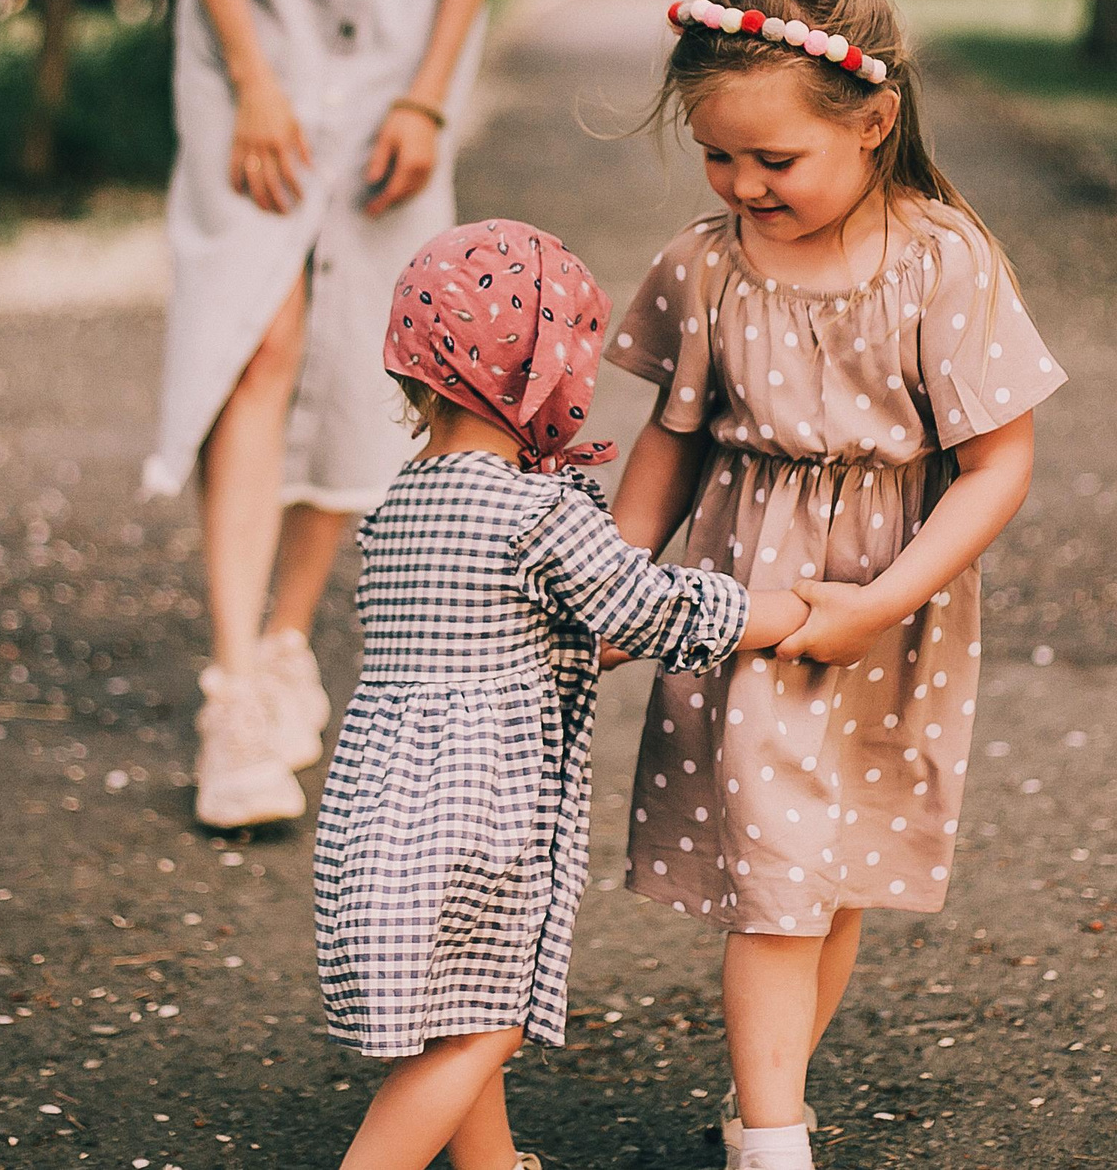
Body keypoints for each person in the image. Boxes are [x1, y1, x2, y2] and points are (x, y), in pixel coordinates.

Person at [138, 0, 558, 827]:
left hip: (401, 43)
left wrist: (431, 92)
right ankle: (233, 691)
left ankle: (286, 638)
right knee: (254, 327)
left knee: (376, 342)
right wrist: (252, 77)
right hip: (253, 31)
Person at [604, 0, 1065, 1170]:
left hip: (885, 610)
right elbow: (670, 440)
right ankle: (772, 1136)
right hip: (749, 605)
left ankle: (766, 1103)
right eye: (717, 155)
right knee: (777, 880)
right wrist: (613, 592)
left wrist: (879, 603)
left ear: (872, 121)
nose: (743, 185)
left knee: (825, 870)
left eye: (775, 159)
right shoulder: (705, 267)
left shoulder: (940, 263)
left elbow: (997, 465)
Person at [315, 219, 812, 1170]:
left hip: (382, 811)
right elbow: (648, 609)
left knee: (460, 1010)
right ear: (543, 375)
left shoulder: (398, 505)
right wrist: (781, 610)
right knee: (484, 1028)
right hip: (479, 814)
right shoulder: (534, 510)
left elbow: (496, 631)